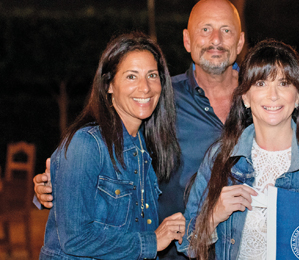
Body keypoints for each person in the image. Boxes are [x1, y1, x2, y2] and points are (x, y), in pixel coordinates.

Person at [33, 1, 244, 259]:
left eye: (226, 30)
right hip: (175, 253)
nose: (215, 40)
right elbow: (88, 162)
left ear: (241, 41)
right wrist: (51, 186)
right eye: (206, 29)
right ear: (187, 41)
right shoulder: (164, 104)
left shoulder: (269, 101)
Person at [179, 39, 299, 260]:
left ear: (298, 95)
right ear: (245, 97)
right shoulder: (220, 159)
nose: (273, 95)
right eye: (261, 83)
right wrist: (213, 217)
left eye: (283, 83)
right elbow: (187, 244)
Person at [39, 32, 186, 259]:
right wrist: (152, 241)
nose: (145, 88)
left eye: (152, 75)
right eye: (131, 77)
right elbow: (75, 238)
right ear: (108, 85)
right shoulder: (87, 143)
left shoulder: (144, 146)